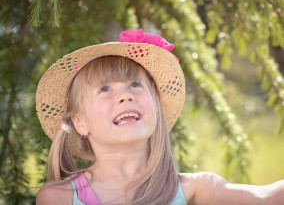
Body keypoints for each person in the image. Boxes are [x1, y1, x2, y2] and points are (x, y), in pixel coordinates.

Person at [35, 29, 284, 205]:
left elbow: (267, 198)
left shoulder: (192, 189)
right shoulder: (59, 197)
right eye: (104, 89)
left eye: (135, 85)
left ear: (156, 107)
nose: (125, 96)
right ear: (80, 123)